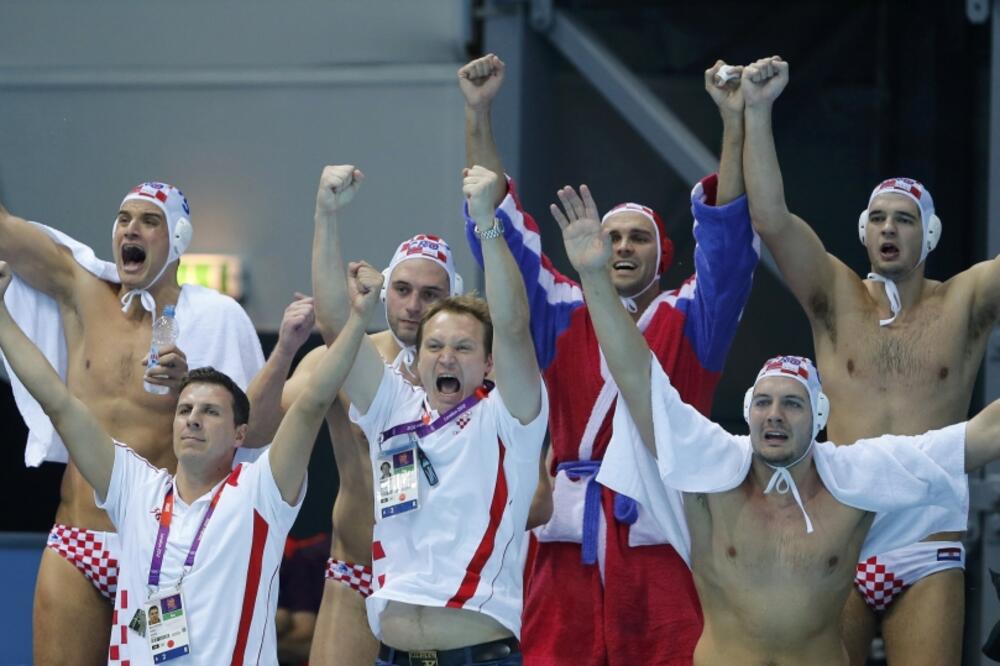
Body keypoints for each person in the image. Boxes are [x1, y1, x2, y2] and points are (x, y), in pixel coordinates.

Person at [545, 187, 989, 664]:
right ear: (748, 409)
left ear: (819, 417)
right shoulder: (711, 464)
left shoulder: (855, 474)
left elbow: (983, 435)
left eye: (793, 405)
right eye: (764, 402)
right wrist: (593, 275)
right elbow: (635, 373)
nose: (775, 413)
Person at [458, 53, 758, 663]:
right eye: (612, 235)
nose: (620, 245)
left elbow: (727, 243)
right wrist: (479, 112)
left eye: (637, 237)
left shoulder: (691, 318)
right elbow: (497, 222)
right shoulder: (561, 309)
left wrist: (735, 123)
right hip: (569, 539)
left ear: (664, 254)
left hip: (664, 535)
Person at [740, 54, 1000, 664]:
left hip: (927, 535)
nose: (890, 229)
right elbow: (770, 219)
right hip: (841, 531)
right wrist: (757, 111)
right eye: (879, 218)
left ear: (928, 235)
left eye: (905, 220)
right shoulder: (835, 298)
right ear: (863, 231)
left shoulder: (964, 302)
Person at [0, 257, 385, 664]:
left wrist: (357, 319)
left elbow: (312, 403)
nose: (193, 420)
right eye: (184, 410)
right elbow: (58, 403)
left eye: (210, 412)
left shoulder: (261, 492)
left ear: (240, 433)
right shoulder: (135, 486)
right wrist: (2, 319)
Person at [0, 182, 265, 664]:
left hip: (159, 553)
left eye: (149, 221)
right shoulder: (81, 292)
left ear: (178, 240)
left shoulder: (215, 318)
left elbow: (249, 431)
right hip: (78, 538)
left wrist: (190, 383)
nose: (131, 229)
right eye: (124, 219)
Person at [245, 164, 465, 666]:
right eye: (403, 289)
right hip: (356, 571)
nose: (413, 305)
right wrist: (283, 351)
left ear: (452, 300)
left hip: (440, 584)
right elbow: (253, 431)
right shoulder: (341, 361)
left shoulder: (474, 379)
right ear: (384, 291)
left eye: (430, 294)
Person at [338, 165, 546, 664]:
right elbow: (332, 326)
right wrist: (326, 214)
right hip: (391, 650)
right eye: (435, 345)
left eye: (462, 347)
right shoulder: (393, 407)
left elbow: (514, 326)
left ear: (489, 362)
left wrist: (487, 225)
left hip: (477, 651)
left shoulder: (508, 417)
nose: (446, 357)